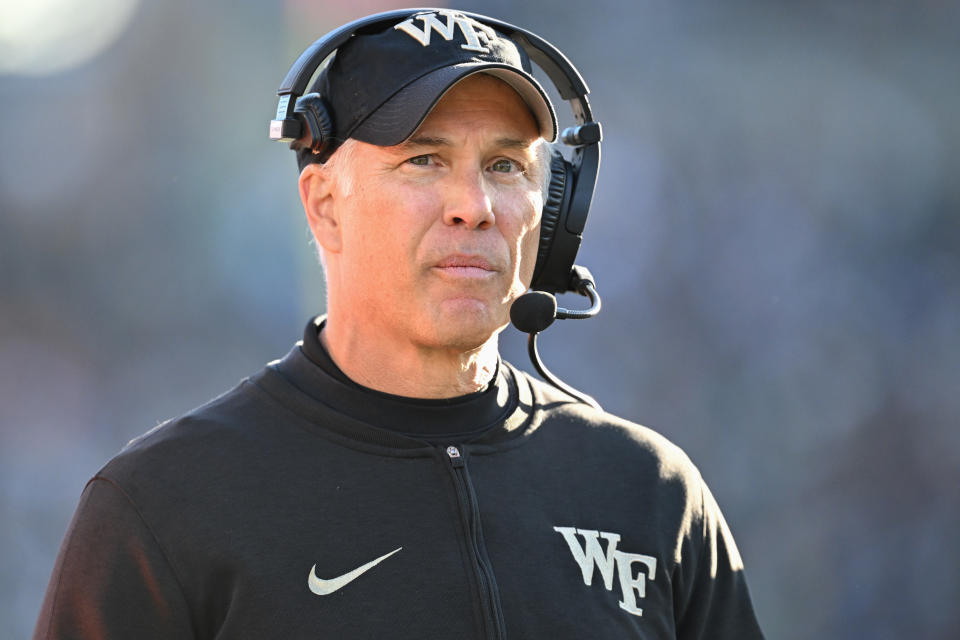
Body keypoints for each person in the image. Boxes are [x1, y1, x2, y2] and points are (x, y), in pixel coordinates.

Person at [34, 9, 764, 639]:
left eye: (506, 166)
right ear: (324, 205)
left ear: (555, 207)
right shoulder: (165, 505)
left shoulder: (650, 491)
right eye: (424, 160)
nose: (473, 205)